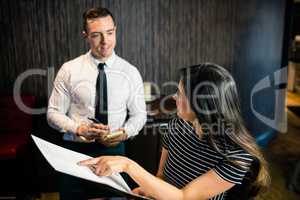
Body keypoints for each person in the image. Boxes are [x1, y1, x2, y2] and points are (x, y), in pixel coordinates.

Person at [79, 63, 270, 200]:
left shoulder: (236, 157)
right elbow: (161, 176)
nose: (174, 97)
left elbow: (184, 197)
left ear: (201, 104)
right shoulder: (177, 125)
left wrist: (128, 165)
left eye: (180, 93)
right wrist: (147, 191)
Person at [47, 7, 146, 199]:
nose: (105, 41)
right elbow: (52, 114)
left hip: (114, 150)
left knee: (115, 198)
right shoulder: (69, 70)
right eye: (96, 35)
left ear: (115, 29)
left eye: (110, 33)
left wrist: (125, 132)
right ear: (85, 35)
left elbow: (139, 115)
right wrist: (79, 129)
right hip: (75, 151)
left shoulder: (130, 72)